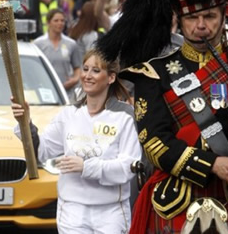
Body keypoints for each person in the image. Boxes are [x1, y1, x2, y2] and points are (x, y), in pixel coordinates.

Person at [96, 0, 228, 233]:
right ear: (179, 20)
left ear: (223, 16)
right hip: (178, 203)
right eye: (192, 18)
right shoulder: (154, 73)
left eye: (209, 16)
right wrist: (212, 164)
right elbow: (155, 143)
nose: (201, 25)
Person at [11, 49, 142, 234]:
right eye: (85, 69)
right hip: (72, 209)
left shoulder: (124, 116)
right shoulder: (69, 114)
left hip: (110, 212)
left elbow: (128, 167)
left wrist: (86, 166)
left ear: (111, 78)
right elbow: (41, 151)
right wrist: (26, 124)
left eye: (96, 71)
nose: (87, 76)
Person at [34, 9, 81, 103]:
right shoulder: (38, 43)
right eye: (56, 20)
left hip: (67, 92)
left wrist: (74, 80)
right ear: (48, 23)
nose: (60, 23)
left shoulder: (71, 44)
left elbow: (77, 68)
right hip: (45, 90)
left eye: (62, 20)